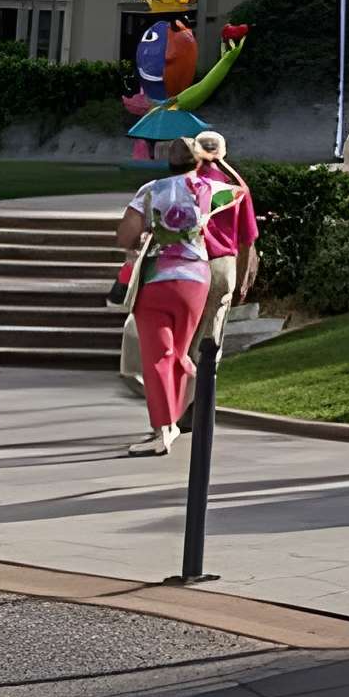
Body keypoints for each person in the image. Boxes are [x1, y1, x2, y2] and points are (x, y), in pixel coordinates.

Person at [118, 128, 255, 401]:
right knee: (208, 343)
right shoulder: (233, 187)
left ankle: (172, 403)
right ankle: (197, 405)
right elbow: (246, 241)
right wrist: (242, 280)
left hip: (183, 267)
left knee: (175, 343)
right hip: (222, 267)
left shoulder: (177, 186)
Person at [115, 136, 216, 455]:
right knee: (180, 352)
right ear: (197, 161)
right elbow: (238, 193)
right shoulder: (211, 190)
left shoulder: (151, 190)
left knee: (157, 356)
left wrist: (145, 234)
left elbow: (125, 236)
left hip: (159, 277)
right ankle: (187, 388)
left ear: (167, 161)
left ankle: (163, 429)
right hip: (197, 278)